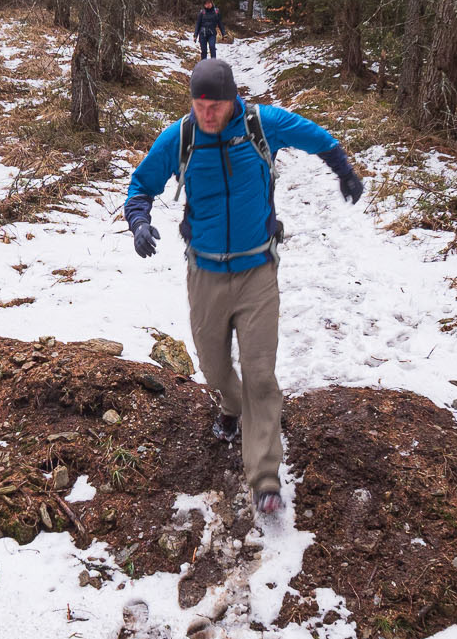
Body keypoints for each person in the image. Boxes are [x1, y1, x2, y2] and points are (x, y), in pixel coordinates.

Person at [123, 58, 364, 519]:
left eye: (215, 106)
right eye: (199, 105)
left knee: (259, 373)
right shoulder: (181, 137)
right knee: (214, 370)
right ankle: (232, 409)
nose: (207, 115)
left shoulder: (260, 124)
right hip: (206, 275)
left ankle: (265, 478)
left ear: (233, 98)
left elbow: (313, 135)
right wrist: (139, 223)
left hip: (257, 272)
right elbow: (141, 185)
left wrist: (343, 170)